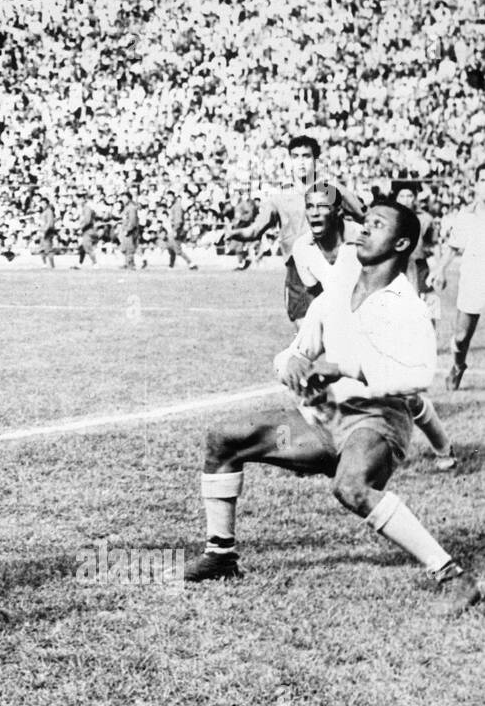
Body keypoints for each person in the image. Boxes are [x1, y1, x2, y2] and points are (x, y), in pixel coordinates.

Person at [186, 199, 481, 615]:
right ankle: (221, 554)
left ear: (400, 243)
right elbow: (299, 349)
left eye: (376, 225)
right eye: (364, 222)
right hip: (326, 420)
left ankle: (454, 576)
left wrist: (345, 368)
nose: (363, 229)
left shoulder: (406, 305)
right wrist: (289, 362)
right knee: (224, 439)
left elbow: (417, 376)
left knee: (351, 486)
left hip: (379, 422)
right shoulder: (337, 291)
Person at [294, 186, 454, 470]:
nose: (316, 212)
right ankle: (314, 437)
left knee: (402, 392)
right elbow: (318, 290)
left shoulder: (364, 237)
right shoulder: (302, 249)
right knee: (316, 374)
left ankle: (442, 448)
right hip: (343, 311)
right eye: (311, 206)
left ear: (339, 210)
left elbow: (400, 274)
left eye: (323, 206)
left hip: (379, 312)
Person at [225, 135, 366, 328]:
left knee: (341, 332)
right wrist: (233, 233)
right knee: (305, 335)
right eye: (296, 156)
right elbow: (254, 231)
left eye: (306, 156)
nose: (301, 162)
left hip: (331, 266)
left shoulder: (332, 190)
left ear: (316, 160)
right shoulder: (279, 197)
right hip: (297, 271)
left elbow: (363, 215)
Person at [431, 170, 485, 391]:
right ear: (475, 184)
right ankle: (457, 365)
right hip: (474, 276)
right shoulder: (467, 215)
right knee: (462, 337)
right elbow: (452, 248)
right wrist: (441, 270)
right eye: (483, 180)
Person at [163, 190, 197, 270]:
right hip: (171, 229)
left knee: (177, 249)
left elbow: (178, 221)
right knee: (171, 249)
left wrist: (175, 230)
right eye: (168, 197)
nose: (169, 198)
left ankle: (191, 263)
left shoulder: (177, 206)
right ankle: (171, 265)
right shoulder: (172, 206)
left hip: (175, 230)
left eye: (170, 197)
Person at [74, 191, 100, 269]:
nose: (77, 200)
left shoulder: (87, 208)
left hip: (89, 230)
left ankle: (95, 264)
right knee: (82, 248)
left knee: (87, 247)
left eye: (79, 198)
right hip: (86, 230)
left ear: (83, 199)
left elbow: (87, 221)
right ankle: (79, 264)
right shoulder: (83, 208)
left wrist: (80, 228)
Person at [117, 191, 142, 269]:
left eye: (124, 198)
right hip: (125, 228)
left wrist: (128, 229)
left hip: (130, 230)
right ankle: (126, 263)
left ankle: (131, 264)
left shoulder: (131, 207)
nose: (123, 199)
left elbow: (132, 220)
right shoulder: (126, 207)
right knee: (125, 247)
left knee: (129, 248)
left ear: (129, 198)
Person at [37, 197, 57, 268]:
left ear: (47, 204)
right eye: (41, 203)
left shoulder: (49, 211)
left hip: (47, 232)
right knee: (42, 249)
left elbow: (50, 223)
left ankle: (52, 266)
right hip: (42, 232)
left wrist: (45, 231)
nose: (42, 205)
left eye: (43, 203)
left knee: (48, 249)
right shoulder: (43, 212)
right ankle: (44, 264)